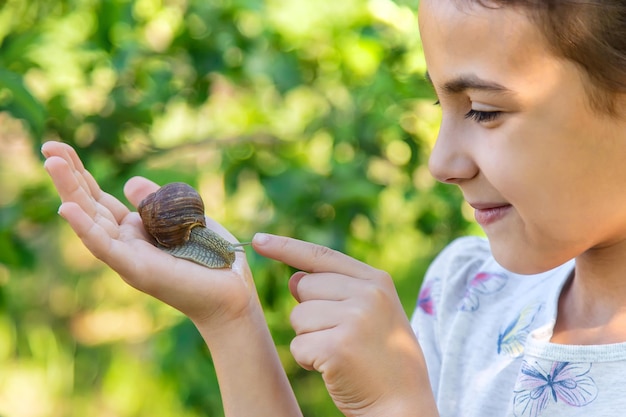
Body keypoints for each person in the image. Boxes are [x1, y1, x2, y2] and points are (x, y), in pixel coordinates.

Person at [42, 0, 626, 416]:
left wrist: (399, 407)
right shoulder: (466, 291)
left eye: (482, 110)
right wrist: (231, 321)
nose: (441, 162)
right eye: (438, 103)